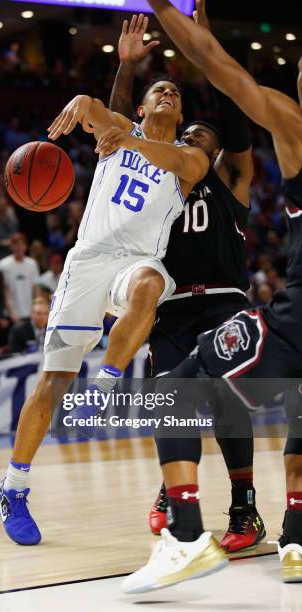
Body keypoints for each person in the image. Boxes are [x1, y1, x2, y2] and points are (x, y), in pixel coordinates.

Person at [122, 0, 302, 592]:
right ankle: (294, 537)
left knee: (183, 393)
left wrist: (180, 24)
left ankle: (197, 527)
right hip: (174, 305)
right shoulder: (153, 175)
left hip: (253, 305)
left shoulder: (252, 155)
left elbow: (227, 81)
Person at [0, 66, 211, 546]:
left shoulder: (190, 159)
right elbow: (94, 109)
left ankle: (106, 384)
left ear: (181, 113)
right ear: (141, 107)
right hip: (87, 263)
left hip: (136, 262)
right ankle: (13, 487)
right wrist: (82, 100)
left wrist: (121, 138)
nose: (168, 93)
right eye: (159, 90)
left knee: (151, 284)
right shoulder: (121, 129)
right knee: (52, 383)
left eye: (174, 91)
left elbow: (177, 163)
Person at [109, 10, 262, 553]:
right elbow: (118, 127)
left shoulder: (228, 178)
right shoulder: (157, 177)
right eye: (187, 133)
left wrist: (205, 53)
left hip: (222, 304)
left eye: (203, 135)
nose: (193, 135)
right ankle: (175, 493)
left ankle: (244, 506)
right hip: (170, 307)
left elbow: (236, 127)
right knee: (170, 403)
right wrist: (127, 71)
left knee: (221, 397)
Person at [0, 233, 40, 324]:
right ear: (11, 246)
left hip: (29, 313)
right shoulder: (3, 264)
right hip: (11, 315)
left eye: (21, 244)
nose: (19, 247)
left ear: (25, 246)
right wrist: (11, 313)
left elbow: (36, 288)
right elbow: (3, 290)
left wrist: (36, 309)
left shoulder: (32, 264)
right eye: (16, 245)